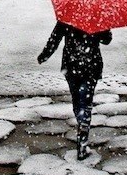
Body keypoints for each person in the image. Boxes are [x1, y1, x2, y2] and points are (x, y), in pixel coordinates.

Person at [38, 21, 113, 160]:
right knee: (86, 101)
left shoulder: (67, 17)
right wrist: (97, 30)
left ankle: (81, 121)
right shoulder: (97, 16)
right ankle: (83, 137)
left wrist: (44, 55)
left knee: (77, 100)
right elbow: (107, 40)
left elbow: (55, 37)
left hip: (71, 65)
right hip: (91, 64)